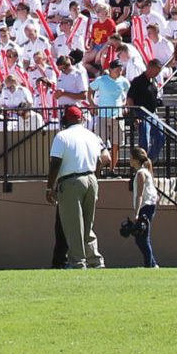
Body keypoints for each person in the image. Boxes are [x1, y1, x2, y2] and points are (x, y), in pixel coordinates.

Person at [49, 104, 104, 269]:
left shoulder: (62, 136)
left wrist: (49, 187)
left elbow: (55, 162)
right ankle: (95, 260)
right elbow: (100, 161)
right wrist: (95, 179)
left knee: (73, 225)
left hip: (71, 181)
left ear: (66, 118)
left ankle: (78, 262)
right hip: (91, 178)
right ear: (81, 119)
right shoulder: (92, 136)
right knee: (88, 225)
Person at [119, 149, 163, 268]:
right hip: (149, 206)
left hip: (145, 207)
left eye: (131, 157)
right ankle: (153, 264)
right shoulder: (145, 172)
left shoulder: (141, 173)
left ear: (136, 160)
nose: (129, 160)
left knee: (143, 238)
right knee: (140, 238)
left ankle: (150, 265)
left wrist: (136, 213)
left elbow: (140, 194)